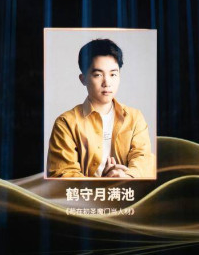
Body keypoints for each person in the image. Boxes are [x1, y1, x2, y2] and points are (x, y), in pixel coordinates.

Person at [47, 38, 155, 178]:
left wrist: (126, 177)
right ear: (83, 79)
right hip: (86, 193)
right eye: (98, 75)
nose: (107, 82)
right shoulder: (66, 123)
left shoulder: (134, 118)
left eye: (113, 74)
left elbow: (143, 159)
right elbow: (63, 173)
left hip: (127, 190)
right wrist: (101, 184)